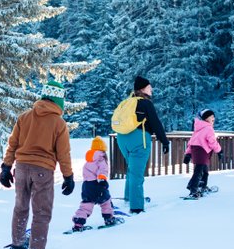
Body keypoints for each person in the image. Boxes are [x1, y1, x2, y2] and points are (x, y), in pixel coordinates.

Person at [0, 79, 75, 249]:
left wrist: (6, 167)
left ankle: (18, 244)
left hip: (22, 169)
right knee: (41, 214)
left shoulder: (24, 117)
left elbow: (12, 144)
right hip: (43, 171)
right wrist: (68, 176)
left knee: (21, 207)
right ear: (59, 100)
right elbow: (63, 153)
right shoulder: (58, 123)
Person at [113, 75, 170, 214]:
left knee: (131, 169)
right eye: (150, 87)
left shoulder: (126, 102)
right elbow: (156, 123)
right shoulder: (145, 103)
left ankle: (129, 198)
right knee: (137, 173)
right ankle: (137, 206)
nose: (152, 90)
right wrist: (164, 141)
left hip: (122, 138)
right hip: (139, 139)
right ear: (143, 89)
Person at [71, 136, 118, 230]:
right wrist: (102, 181)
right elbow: (102, 170)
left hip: (87, 185)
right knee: (106, 201)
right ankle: (109, 218)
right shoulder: (101, 158)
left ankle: (78, 223)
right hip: (97, 184)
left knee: (86, 204)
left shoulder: (89, 160)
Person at [186, 109, 222, 197]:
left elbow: (192, 141)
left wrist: (188, 153)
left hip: (197, 151)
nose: (214, 118)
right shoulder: (208, 128)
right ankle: (193, 189)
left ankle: (201, 186)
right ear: (206, 118)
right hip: (202, 152)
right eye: (211, 116)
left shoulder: (198, 128)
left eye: (214, 116)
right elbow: (212, 142)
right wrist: (219, 151)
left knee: (203, 171)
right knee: (199, 171)